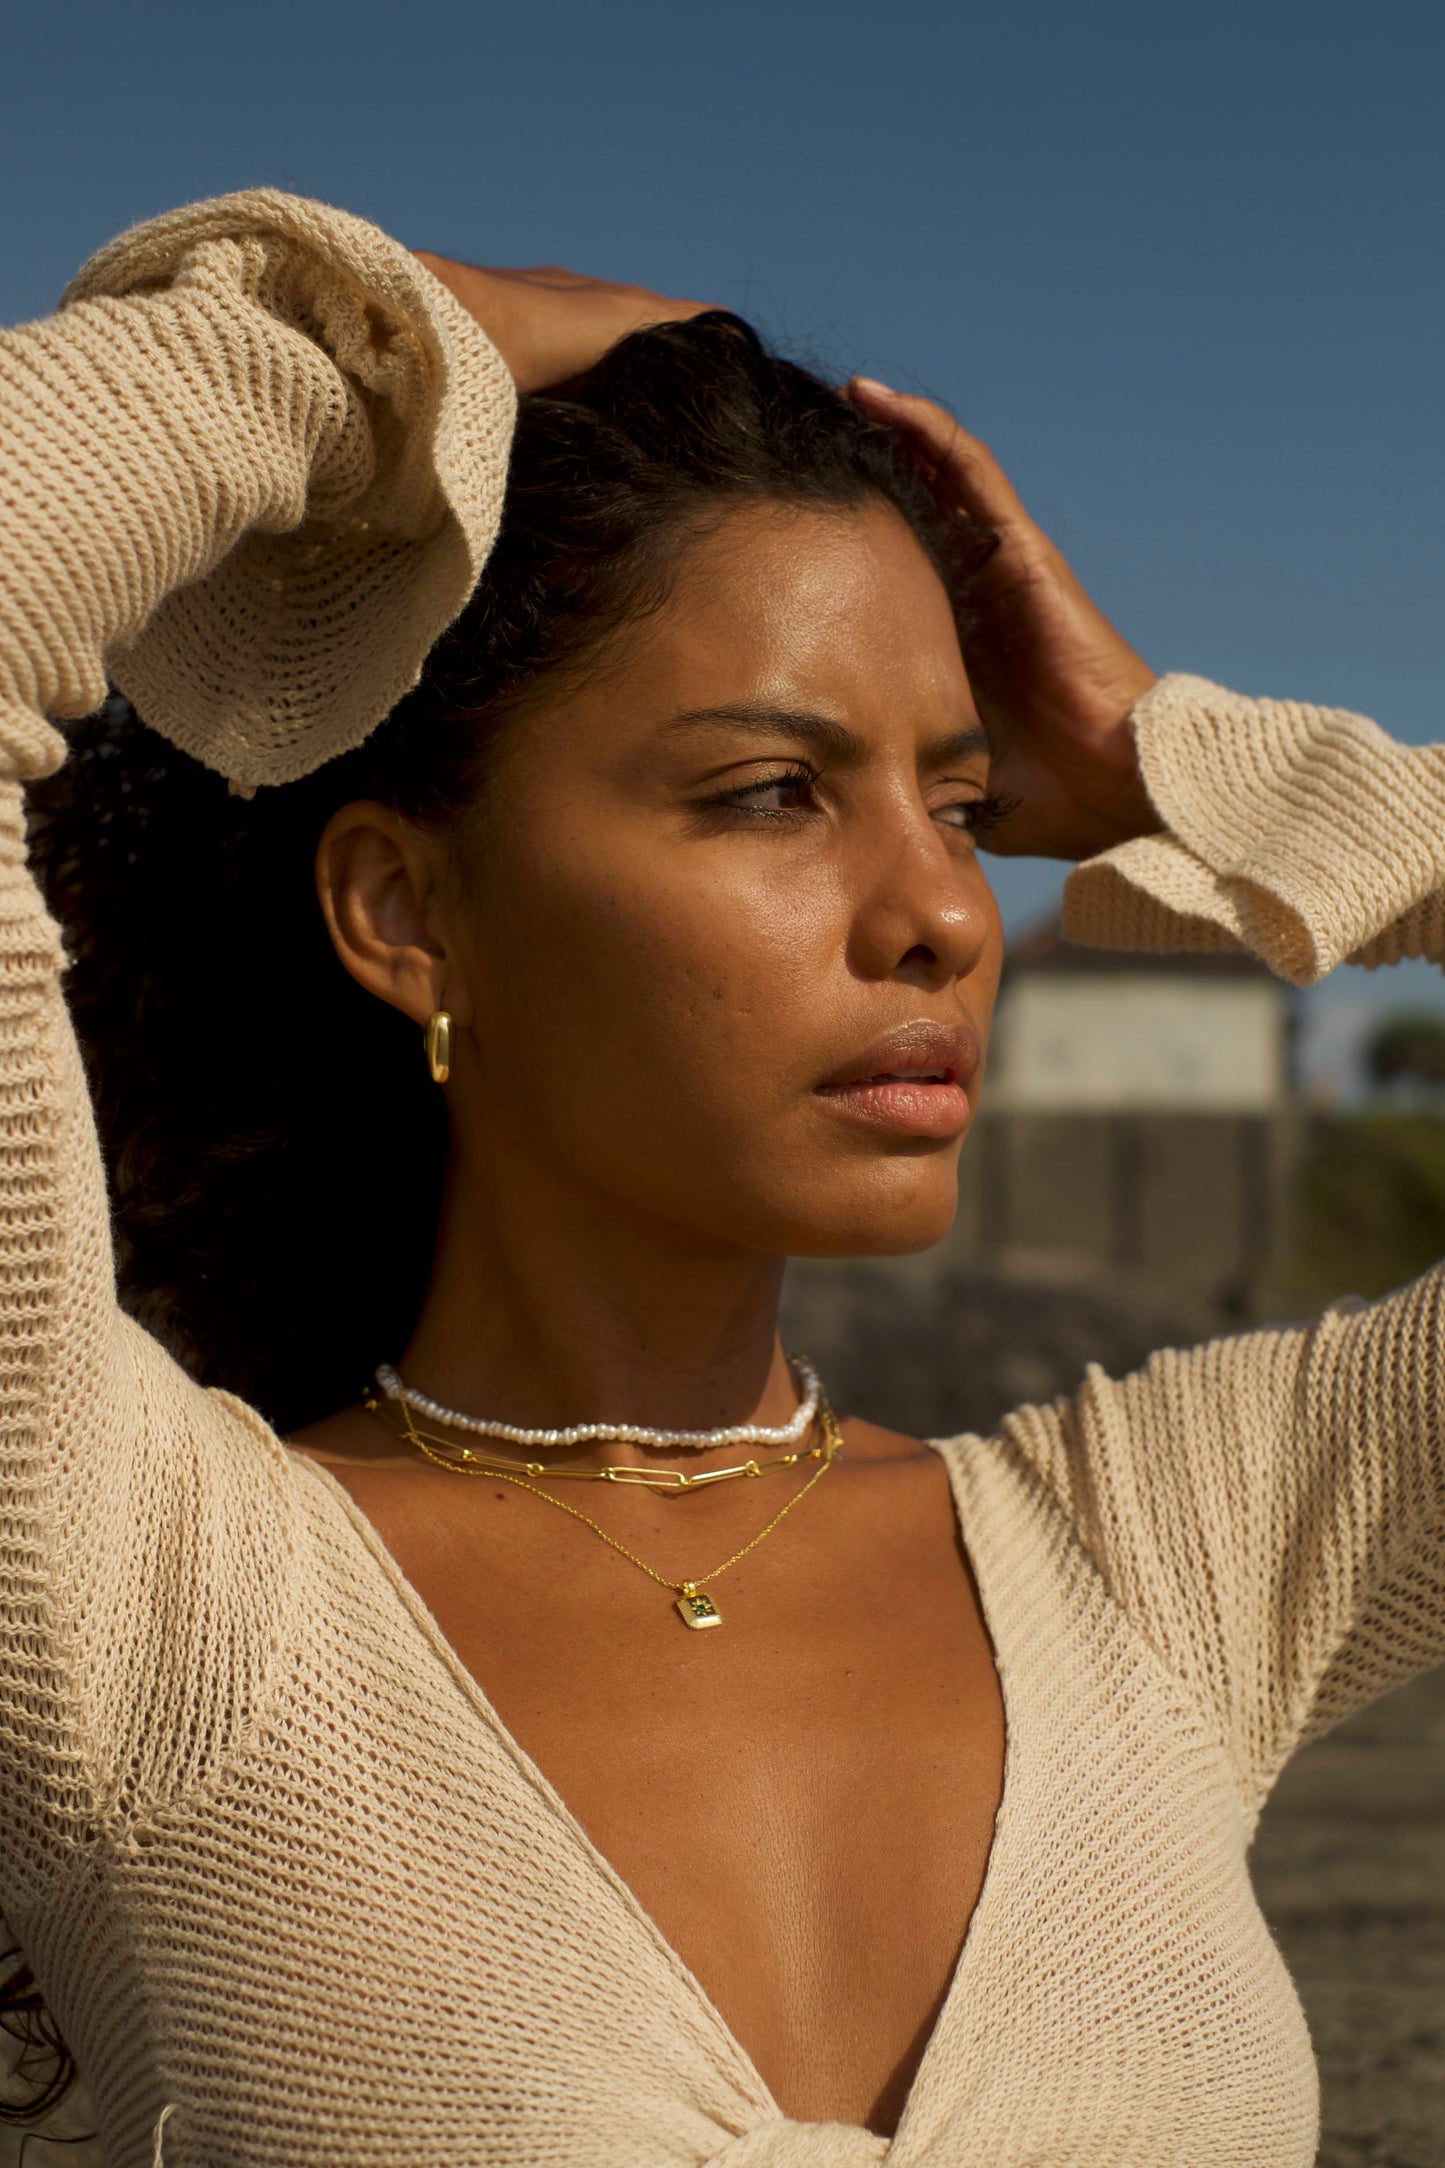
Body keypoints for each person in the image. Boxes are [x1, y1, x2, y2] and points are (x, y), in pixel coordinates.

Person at [0, 187, 1440, 2168]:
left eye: (961, 799)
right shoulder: (134, 1594)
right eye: (771, 793)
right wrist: (375, 350)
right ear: (407, 911)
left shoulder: (1180, 1556)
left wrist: (1191, 763)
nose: (946, 906)